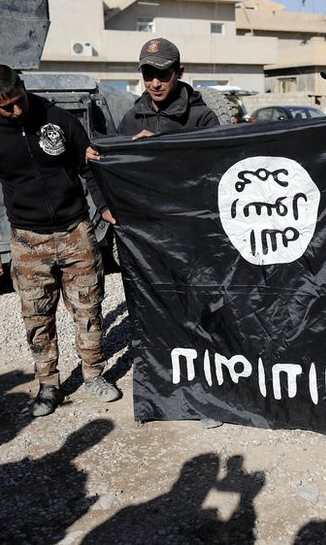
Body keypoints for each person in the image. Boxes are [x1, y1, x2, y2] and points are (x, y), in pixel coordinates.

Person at [0, 64, 119, 418]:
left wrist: (106, 206)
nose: (17, 110)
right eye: (7, 106)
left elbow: (88, 166)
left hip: (75, 231)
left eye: (19, 100)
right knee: (37, 317)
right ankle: (49, 385)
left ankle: (94, 374)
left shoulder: (60, 119)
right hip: (27, 240)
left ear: (23, 87)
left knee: (88, 307)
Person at [87, 38, 222, 427]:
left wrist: (162, 145)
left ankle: (208, 395)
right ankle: (168, 388)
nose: (155, 82)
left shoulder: (202, 117)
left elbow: (213, 169)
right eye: (148, 73)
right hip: (149, 238)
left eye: (163, 73)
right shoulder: (132, 118)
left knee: (199, 312)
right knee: (156, 312)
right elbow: (111, 165)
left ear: (179, 72)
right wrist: (104, 200)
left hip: (191, 234)